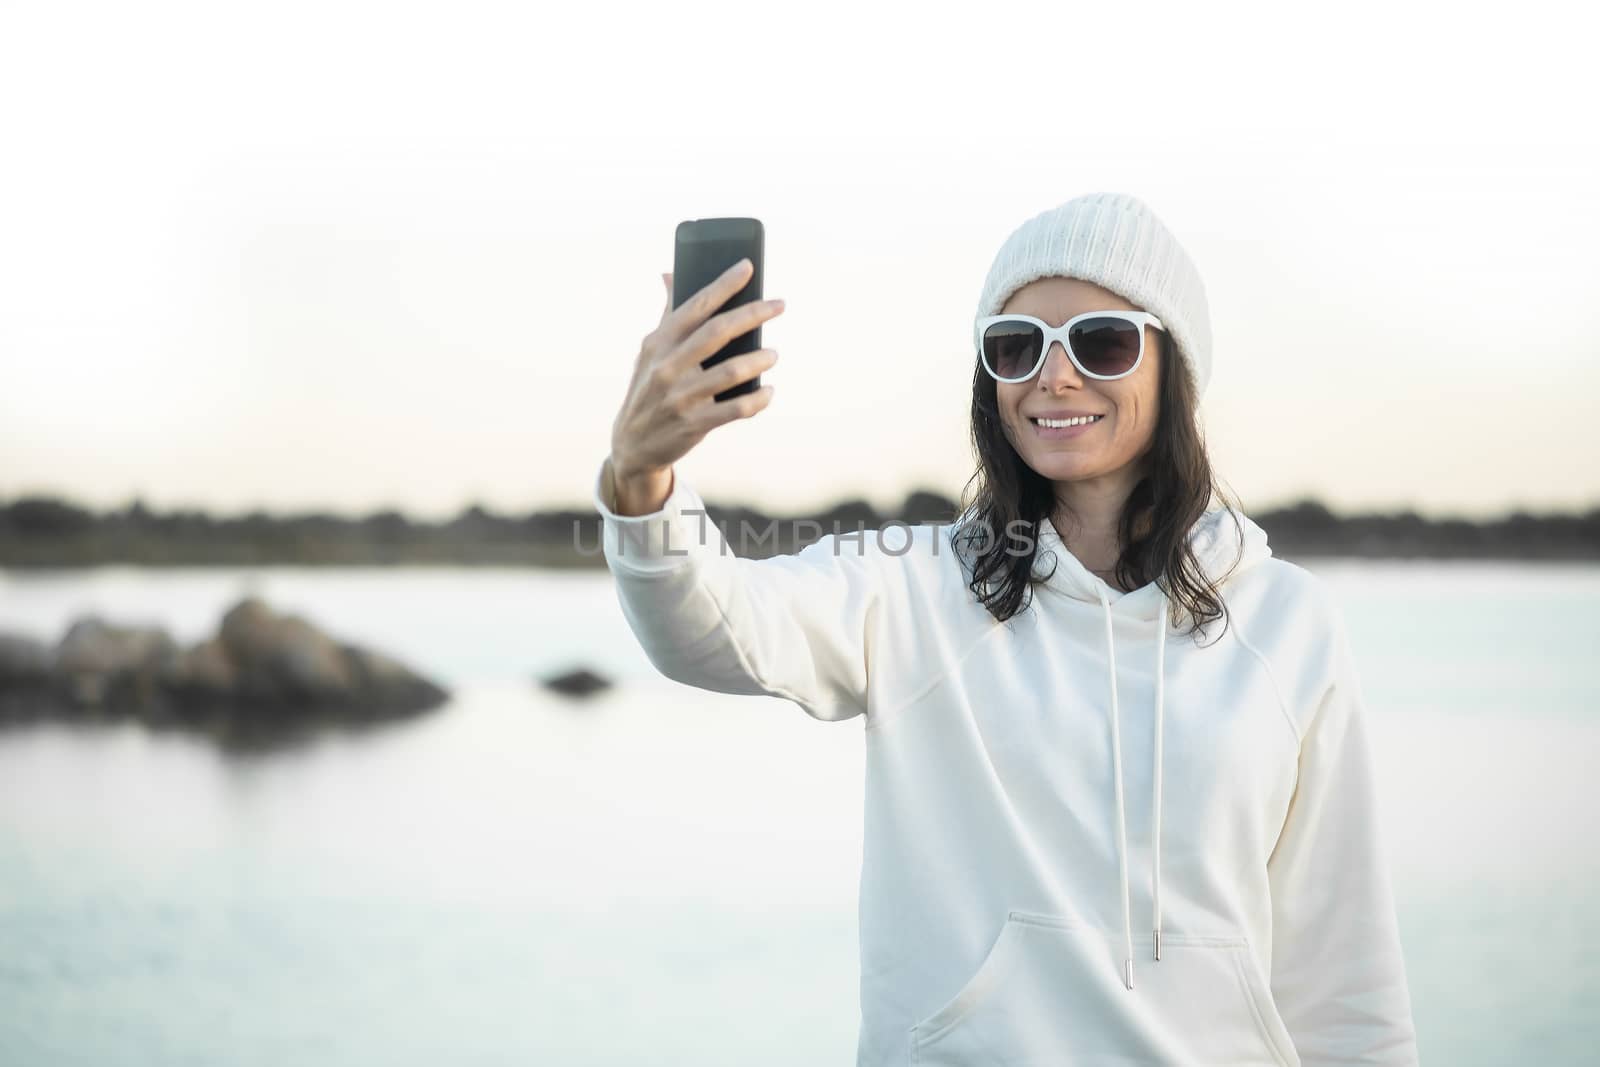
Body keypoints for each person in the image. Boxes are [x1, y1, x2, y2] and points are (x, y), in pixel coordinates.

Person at [592, 192, 1420, 1066]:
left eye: (1102, 340)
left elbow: (1346, 979)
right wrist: (641, 473)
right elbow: (709, 629)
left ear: (1174, 367)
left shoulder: (1288, 622)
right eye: (1015, 346)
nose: (1053, 376)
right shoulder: (913, 586)